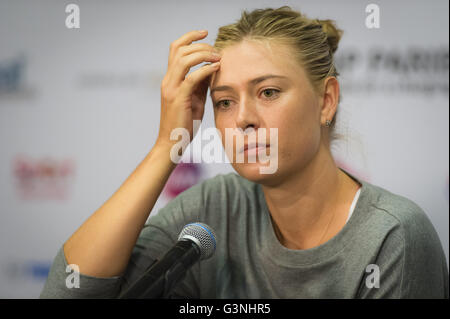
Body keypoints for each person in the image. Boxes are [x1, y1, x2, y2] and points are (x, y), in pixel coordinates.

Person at [40, 6, 448, 299]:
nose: (243, 120)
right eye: (224, 102)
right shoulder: (214, 208)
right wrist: (168, 144)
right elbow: (69, 291)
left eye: (268, 92)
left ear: (326, 101)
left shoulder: (392, 237)